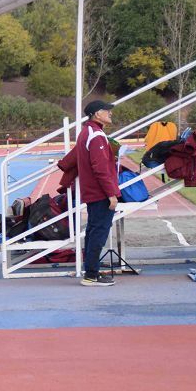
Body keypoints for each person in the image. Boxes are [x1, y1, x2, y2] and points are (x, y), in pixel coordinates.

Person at [77, 100, 121, 287]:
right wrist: (111, 194)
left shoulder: (88, 132)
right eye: (106, 110)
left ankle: (91, 271)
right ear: (97, 114)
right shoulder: (95, 135)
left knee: (93, 231)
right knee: (98, 233)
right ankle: (91, 275)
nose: (110, 113)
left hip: (93, 192)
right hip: (99, 193)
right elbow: (100, 168)